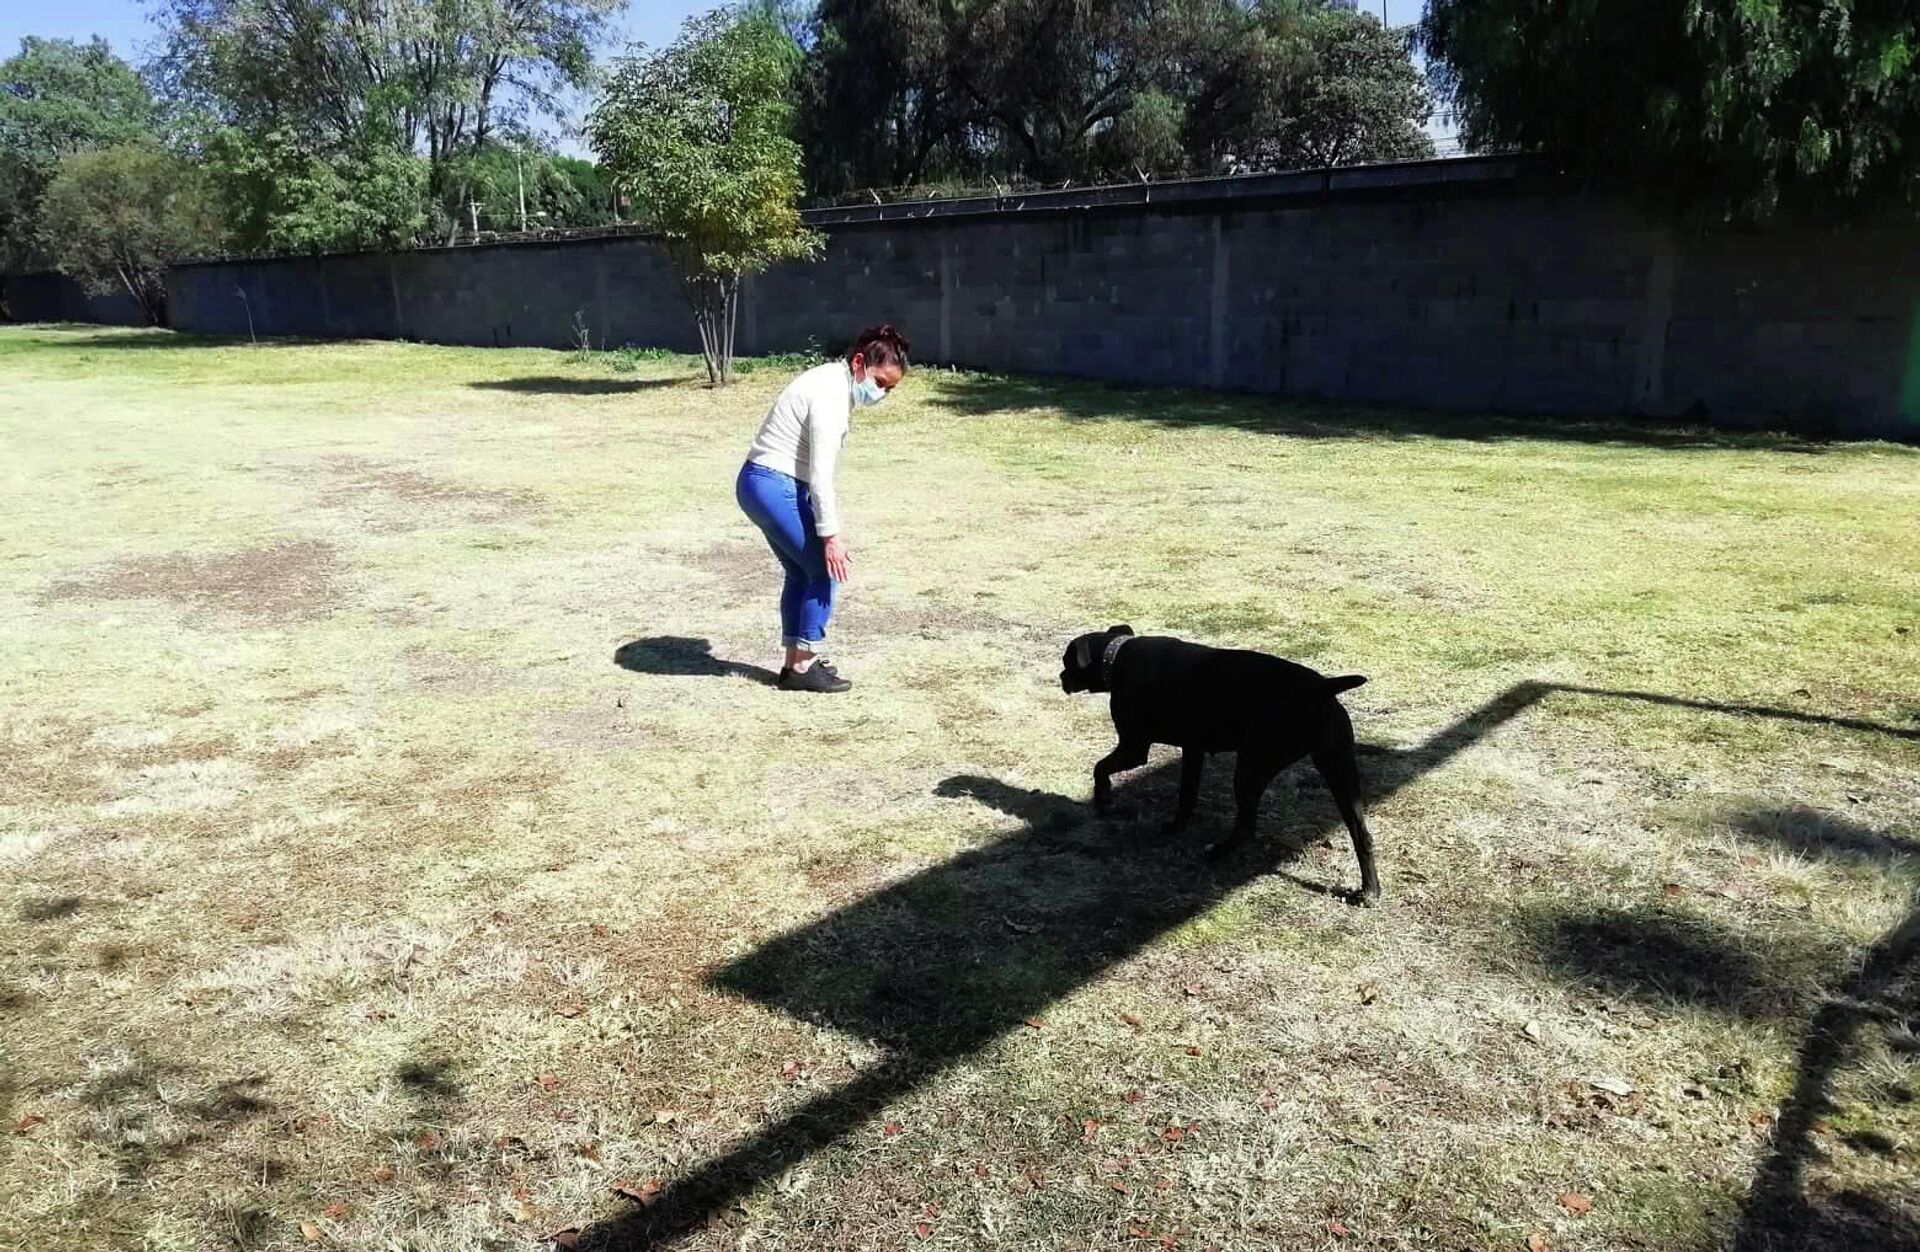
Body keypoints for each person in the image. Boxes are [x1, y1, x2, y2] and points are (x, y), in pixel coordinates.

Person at [735, 325, 910, 692]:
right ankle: (803, 664)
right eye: (880, 383)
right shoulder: (831, 393)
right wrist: (830, 536)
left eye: (889, 390)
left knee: (801, 572)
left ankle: (795, 663)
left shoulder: (831, 381)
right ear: (859, 362)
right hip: (773, 482)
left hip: (759, 482)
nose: (881, 394)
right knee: (825, 570)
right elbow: (821, 474)